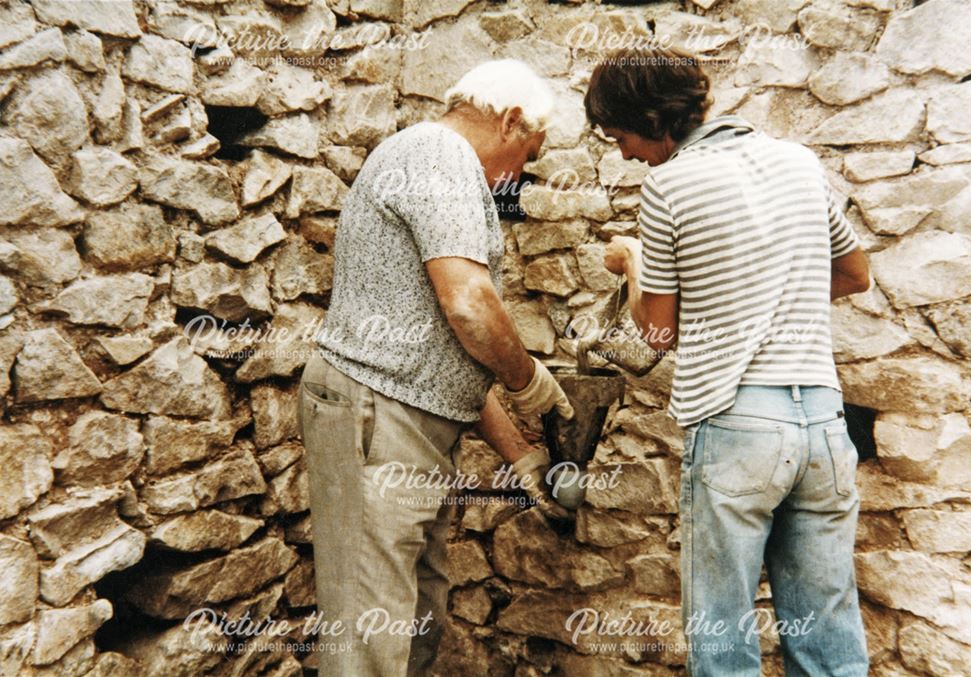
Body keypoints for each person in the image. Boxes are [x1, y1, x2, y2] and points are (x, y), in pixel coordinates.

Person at [588, 48, 872, 675]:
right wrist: (772, 295)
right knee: (826, 627)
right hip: (823, 421)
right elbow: (855, 275)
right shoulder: (798, 163)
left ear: (653, 119)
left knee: (722, 636)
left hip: (737, 422)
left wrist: (633, 262)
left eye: (623, 136)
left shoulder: (669, 183)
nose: (626, 154)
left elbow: (658, 335)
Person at [298, 59, 574, 677]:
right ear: (509, 121)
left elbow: (442, 352)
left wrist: (519, 454)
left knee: (417, 613)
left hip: (400, 414)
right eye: (525, 155)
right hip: (376, 415)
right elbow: (470, 307)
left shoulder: (435, 163)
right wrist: (527, 380)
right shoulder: (438, 156)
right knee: (372, 628)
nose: (518, 175)